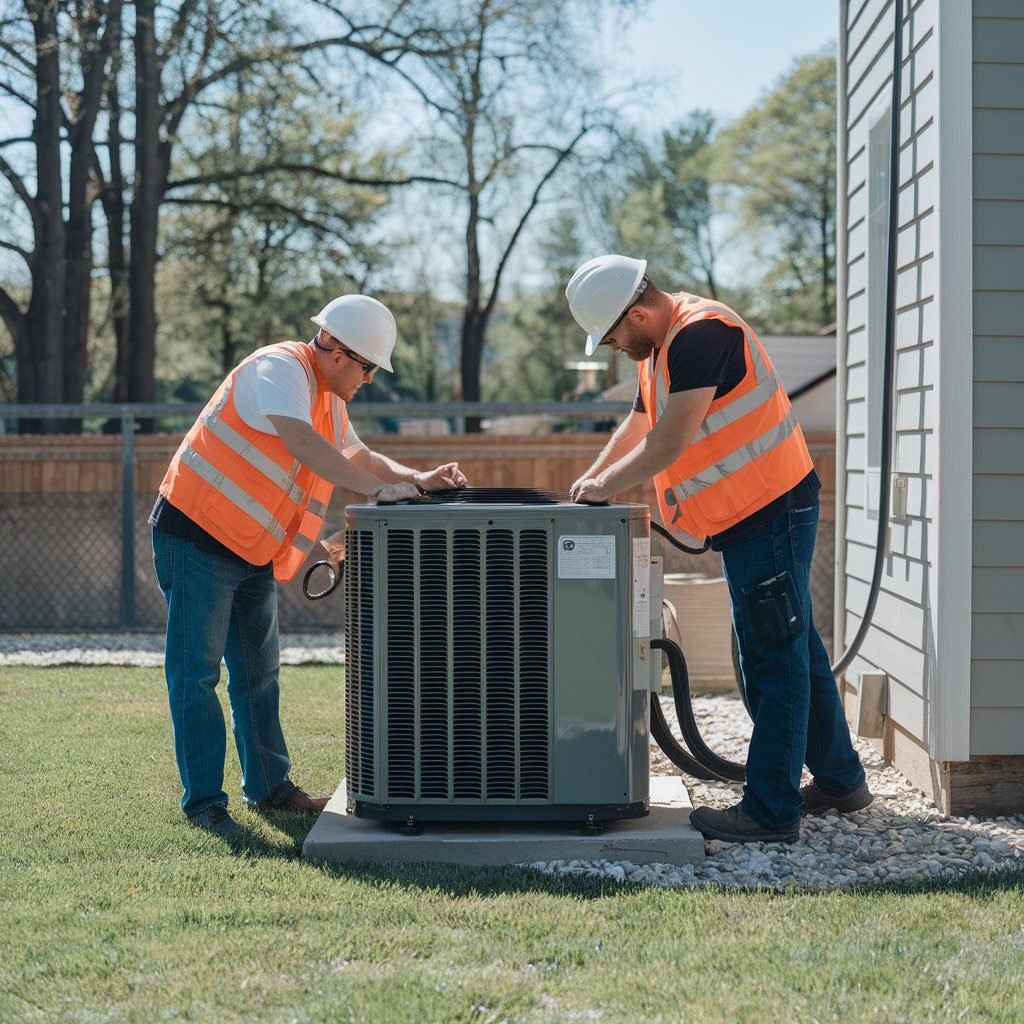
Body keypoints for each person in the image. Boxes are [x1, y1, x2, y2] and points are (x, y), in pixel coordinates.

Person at [564, 255, 870, 844]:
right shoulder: (660, 350)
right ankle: (840, 780)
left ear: (638, 311)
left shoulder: (702, 334)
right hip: (753, 513)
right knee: (796, 648)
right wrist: (590, 480)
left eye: (611, 335)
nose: (611, 347)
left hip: (770, 511)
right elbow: (637, 425)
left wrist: (608, 487)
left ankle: (772, 811)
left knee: (770, 661)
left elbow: (670, 440)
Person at [150, 295, 468, 835]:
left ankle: (270, 789)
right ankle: (204, 803)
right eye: (369, 368)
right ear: (341, 353)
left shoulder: (326, 395)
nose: (370, 380)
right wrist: (378, 491)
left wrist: (416, 480)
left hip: (249, 548)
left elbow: (360, 456)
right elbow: (300, 443)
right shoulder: (278, 369)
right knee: (196, 676)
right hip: (196, 537)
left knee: (258, 674)